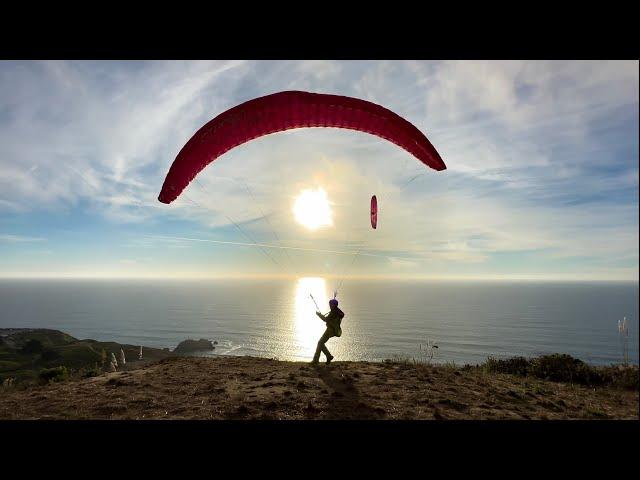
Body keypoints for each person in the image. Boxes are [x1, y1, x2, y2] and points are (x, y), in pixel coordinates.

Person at [312, 298, 344, 364]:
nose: (330, 305)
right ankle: (328, 356)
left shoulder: (334, 312)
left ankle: (316, 360)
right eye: (330, 304)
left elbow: (325, 319)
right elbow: (342, 314)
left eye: (331, 304)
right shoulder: (337, 311)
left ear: (334, 305)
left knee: (320, 342)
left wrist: (319, 315)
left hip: (330, 330)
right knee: (321, 343)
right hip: (334, 330)